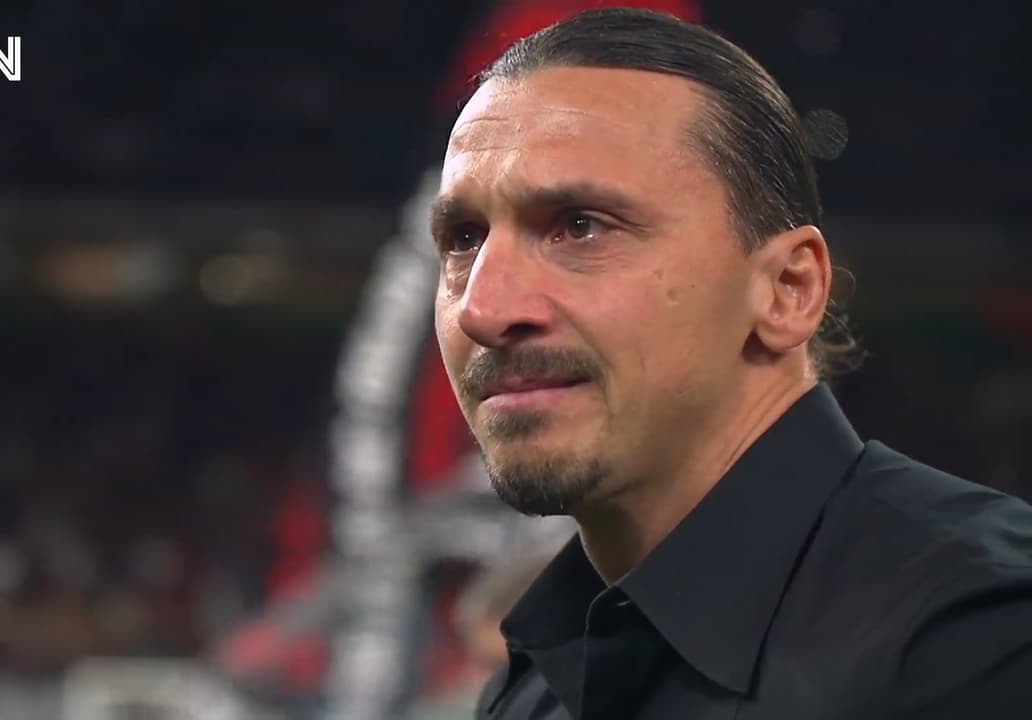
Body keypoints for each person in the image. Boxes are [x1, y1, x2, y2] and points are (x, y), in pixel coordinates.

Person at [428, 7, 1032, 719]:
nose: (483, 308)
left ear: (787, 289)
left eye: (580, 226)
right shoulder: (532, 688)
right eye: (463, 238)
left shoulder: (981, 641)